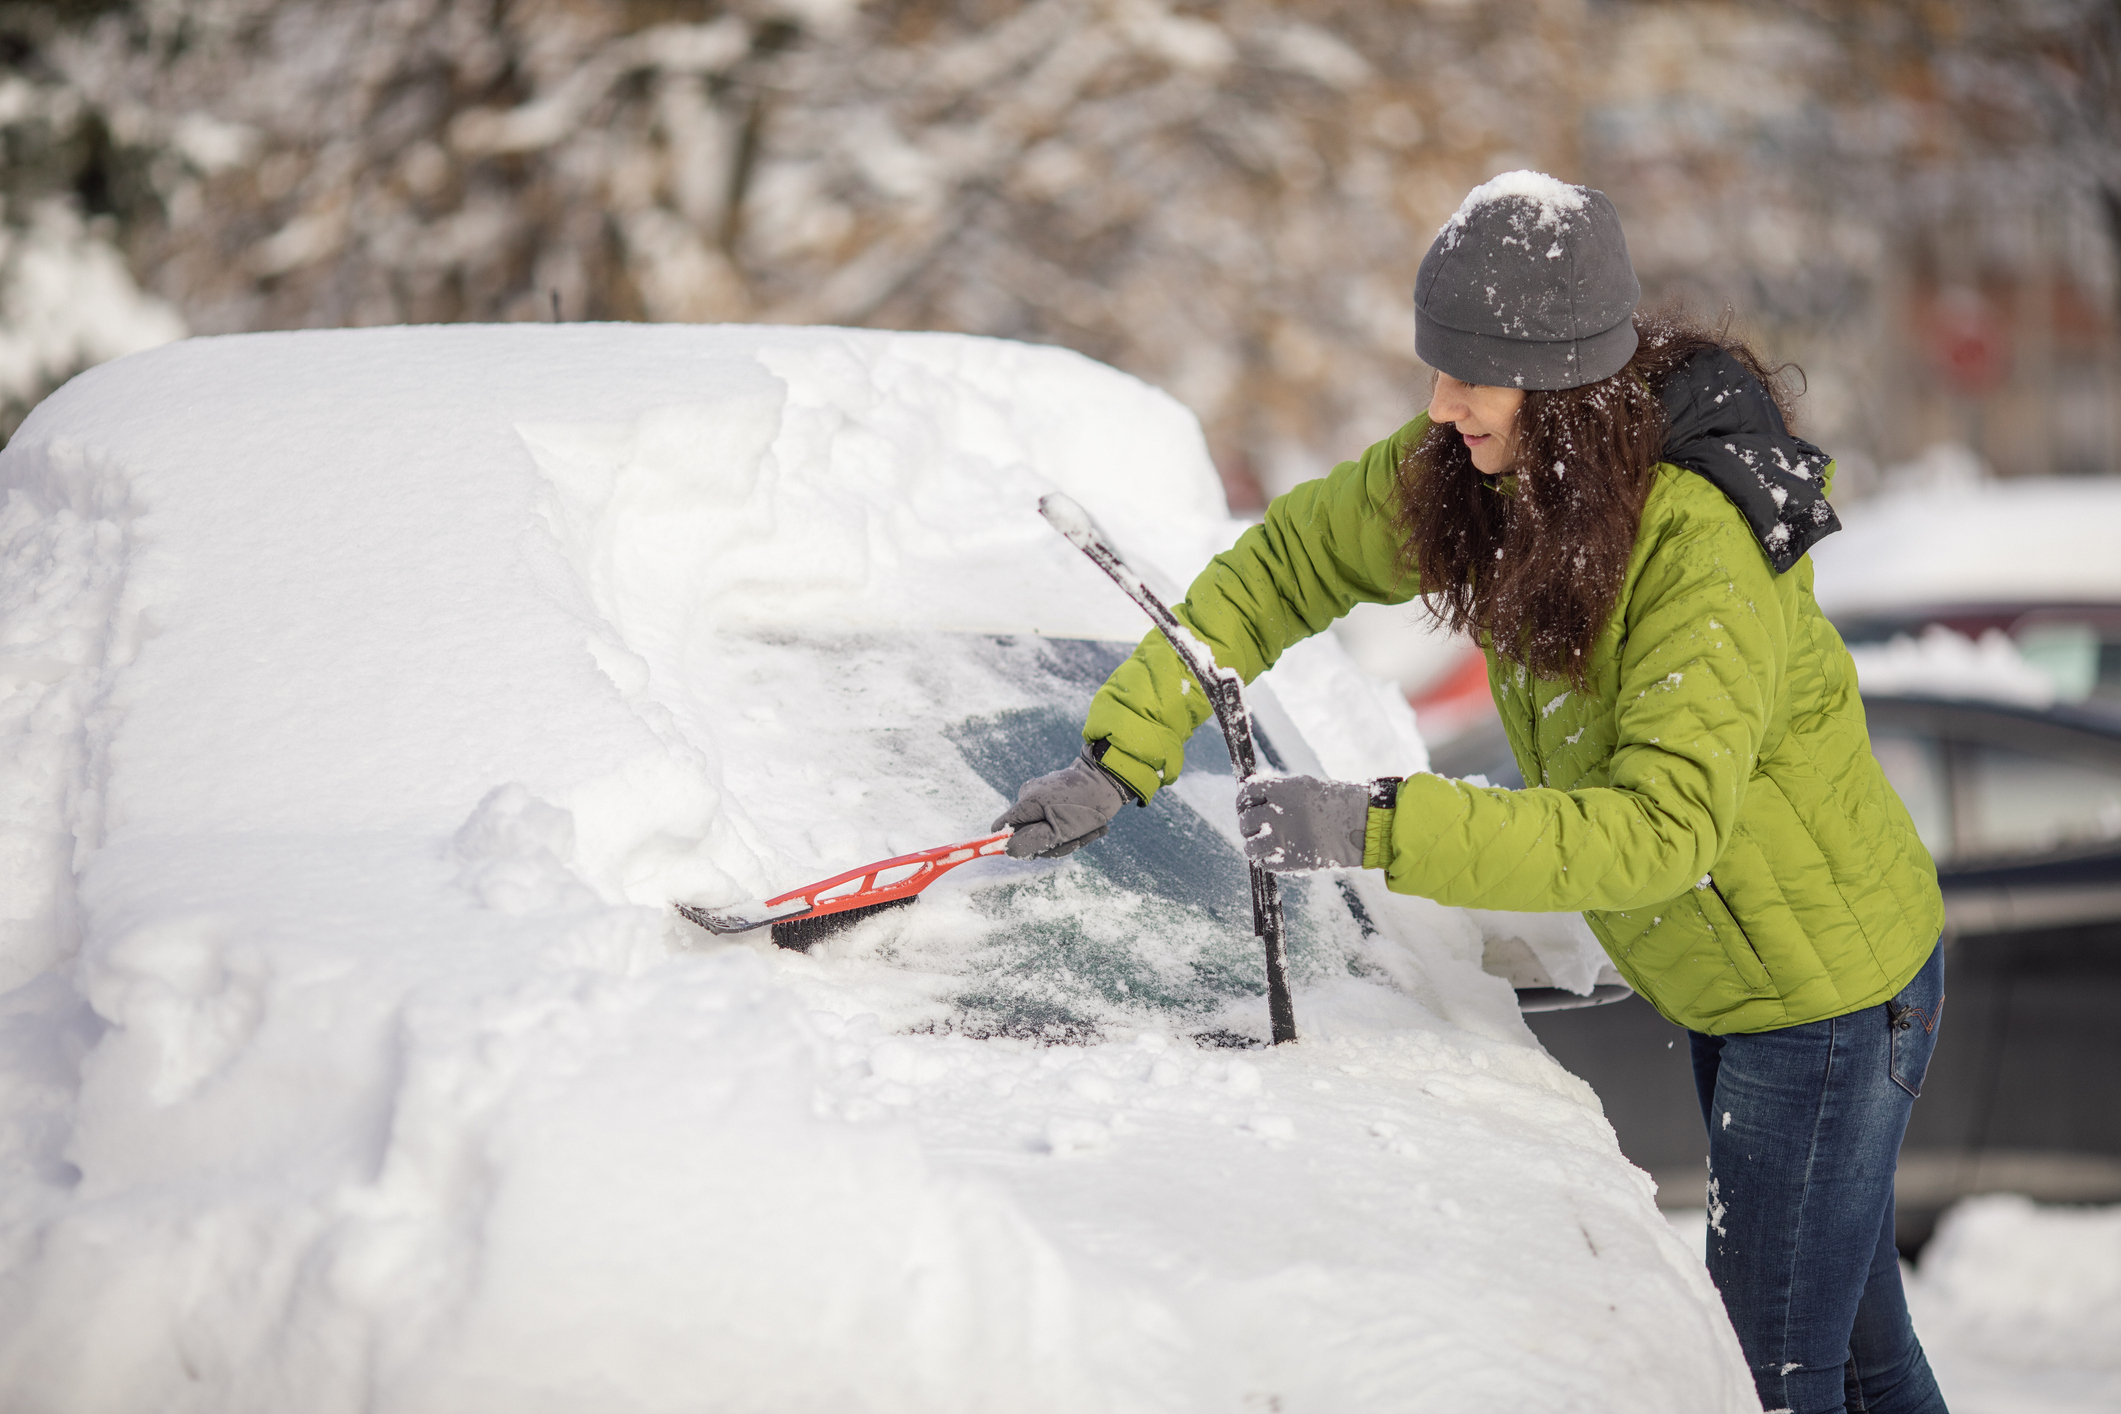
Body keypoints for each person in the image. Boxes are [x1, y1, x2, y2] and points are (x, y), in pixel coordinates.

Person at [993, 171, 1950, 1414]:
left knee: (1770, 1377)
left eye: (1473, 375)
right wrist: (1126, 745)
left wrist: (1375, 824)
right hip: (1744, 978)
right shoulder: (1477, 478)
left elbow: (1661, 828)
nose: (1441, 404)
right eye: (1436, 369)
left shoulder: (1693, 545)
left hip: (1826, 998)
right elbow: (1286, 564)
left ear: (1564, 384)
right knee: (1865, 1366)